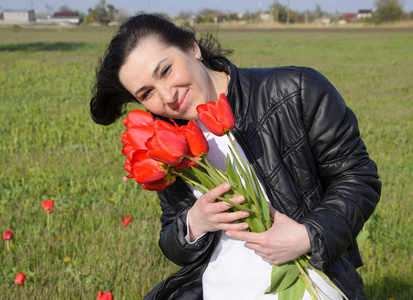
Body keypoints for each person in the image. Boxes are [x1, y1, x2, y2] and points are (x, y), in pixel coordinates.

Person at [90, 13, 381, 300]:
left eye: (165, 71)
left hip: (310, 278)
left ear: (192, 48)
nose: (167, 96)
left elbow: (358, 177)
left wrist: (307, 236)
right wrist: (195, 221)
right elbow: (170, 235)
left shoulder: (296, 90)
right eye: (146, 93)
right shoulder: (166, 141)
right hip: (221, 288)